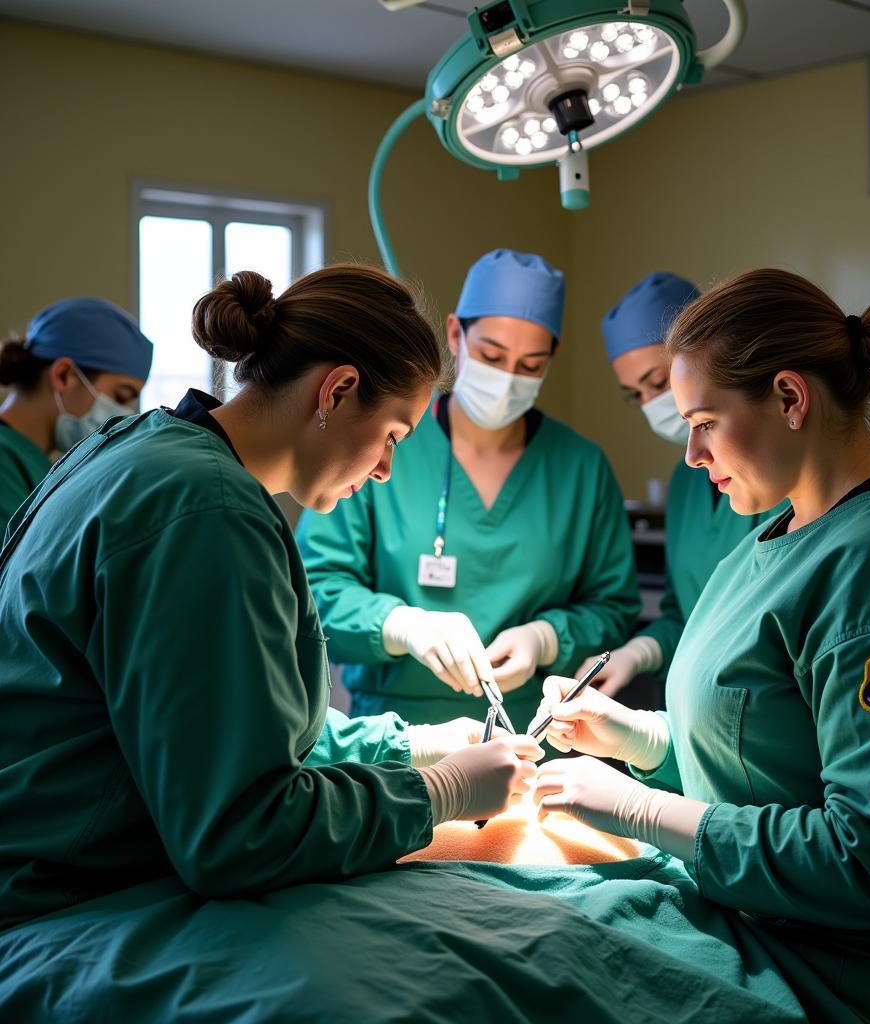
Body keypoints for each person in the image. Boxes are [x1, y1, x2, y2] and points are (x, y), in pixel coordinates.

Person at [528, 268, 870, 1022]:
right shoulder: (771, 540)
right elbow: (773, 753)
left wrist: (643, 811)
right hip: (766, 934)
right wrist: (640, 739)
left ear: (790, 398)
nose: (690, 454)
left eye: (705, 421)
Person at [0, 264, 542, 936]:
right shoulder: (206, 510)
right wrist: (440, 794)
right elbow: (239, 837)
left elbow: (231, 727)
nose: (384, 471)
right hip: (56, 903)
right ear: (338, 391)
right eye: (393, 438)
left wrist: (411, 745)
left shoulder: (138, 449)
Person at [297, 249, 640, 729]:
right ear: (456, 334)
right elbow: (315, 587)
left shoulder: (580, 467)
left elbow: (612, 605)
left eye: (529, 365)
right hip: (394, 739)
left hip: (530, 736)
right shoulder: (380, 443)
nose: (506, 380)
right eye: (492, 356)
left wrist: (547, 637)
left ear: (551, 359)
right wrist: (400, 626)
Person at [585, 272, 782, 698]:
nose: (652, 405)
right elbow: (686, 615)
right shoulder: (685, 481)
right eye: (635, 394)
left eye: (658, 383)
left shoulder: (779, 477)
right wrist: (636, 653)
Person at [0, 298, 153, 524]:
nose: (125, 416)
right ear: (64, 375)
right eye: (120, 396)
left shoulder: (32, 465)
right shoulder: (5, 465)